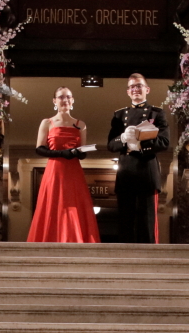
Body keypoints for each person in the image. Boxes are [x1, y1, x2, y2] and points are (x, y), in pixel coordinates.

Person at [28, 86, 101, 244]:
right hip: (55, 170)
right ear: (54, 101)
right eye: (61, 97)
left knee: (73, 204)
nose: (65, 100)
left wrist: (79, 152)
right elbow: (40, 149)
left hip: (73, 171)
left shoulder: (80, 124)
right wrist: (63, 154)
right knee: (54, 204)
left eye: (68, 97)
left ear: (72, 100)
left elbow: (83, 153)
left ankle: (75, 240)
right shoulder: (47, 122)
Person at [107, 73, 170, 243]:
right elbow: (111, 145)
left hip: (146, 170)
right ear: (128, 92)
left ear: (147, 89)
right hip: (126, 171)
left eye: (139, 86)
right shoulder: (119, 115)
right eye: (132, 87)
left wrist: (141, 142)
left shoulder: (156, 113)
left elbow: (164, 142)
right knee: (125, 222)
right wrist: (123, 139)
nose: (135, 89)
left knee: (146, 222)